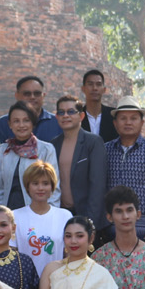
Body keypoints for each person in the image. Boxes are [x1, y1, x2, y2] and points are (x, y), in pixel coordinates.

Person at [103, 96, 145, 246]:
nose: (128, 122)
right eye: (123, 118)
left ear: (142, 122)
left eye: (133, 118)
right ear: (115, 123)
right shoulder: (105, 150)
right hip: (111, 227)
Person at [0, 102, 60, 210]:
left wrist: (50, 214)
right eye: (16, 121)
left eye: (26, 120)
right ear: (10, 124)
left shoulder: (46, 150)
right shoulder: (3, 150)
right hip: (8, 213)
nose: (21, 125)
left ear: (33, 123)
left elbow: (54, 188)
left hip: (36, 212)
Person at [9, 160, 71, 277]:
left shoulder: (65, 216)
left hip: (57, 282)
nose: (40, 188)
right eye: (35, 183)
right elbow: (12, 255)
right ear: (27, 186)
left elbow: (68, 254)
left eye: (45, 183)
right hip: (26, 284)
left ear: (52, 186)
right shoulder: (15, 216)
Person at [53, 95, 108, 223]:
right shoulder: (53, 145)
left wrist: (90, 221)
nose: (66, 115)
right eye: (61, 112)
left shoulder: (93, 142)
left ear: (81, 116)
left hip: (87, 214)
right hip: (61, 214)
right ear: (57, 117)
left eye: (71, 111)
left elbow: (97, 185)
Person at [0, 76, 61, 143]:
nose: (32, 97)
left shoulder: (57, 123)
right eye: (27, 94)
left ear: (43, 96)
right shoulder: (3, 124)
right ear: (16, 96)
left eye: (37, 93)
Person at [79, 69, 118, 142]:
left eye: (98, 84)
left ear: (104, 89)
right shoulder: (77, 117)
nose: (94, 88)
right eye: (90, 84)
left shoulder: (114, 116)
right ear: (83, 89)